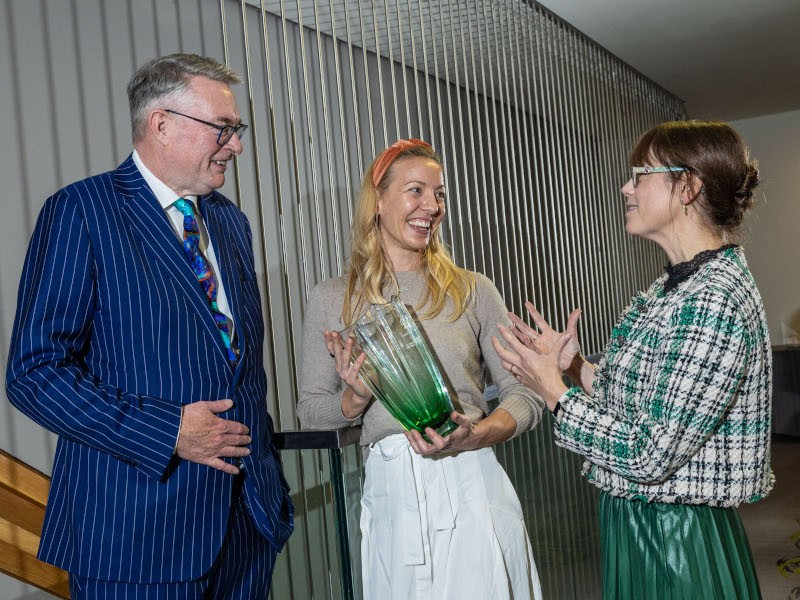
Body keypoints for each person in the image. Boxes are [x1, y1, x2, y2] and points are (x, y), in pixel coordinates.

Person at [5, 53, 293, 597]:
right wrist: (169, 431)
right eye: (224, 129)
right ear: (161, 124)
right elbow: (34, 373)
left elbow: (237, 370)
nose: (236, 145)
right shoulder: (80, 212)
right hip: (135, 539)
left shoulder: (230, 223)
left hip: (246, 531)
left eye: (238, 130)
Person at [493, 120, 773, 599]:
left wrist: (556, 394)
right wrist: (574, 366)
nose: (627, 187)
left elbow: (651, 452)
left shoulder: (712, 300)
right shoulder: (681, 284)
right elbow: (653, 402)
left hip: (676, 536)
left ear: (687, 187)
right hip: (648, 523)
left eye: (641, 174)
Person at [297, 138, 543, 599]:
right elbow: (311, 415)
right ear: (379, 201)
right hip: (392, 495)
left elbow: (525, 394)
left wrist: (479, 433)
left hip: (472, 479)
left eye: (440, 194)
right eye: (416, 191)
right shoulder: (332, 298)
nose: (432, 206)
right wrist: (356, 397)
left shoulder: (473, 290)